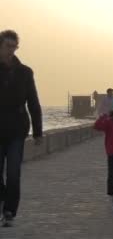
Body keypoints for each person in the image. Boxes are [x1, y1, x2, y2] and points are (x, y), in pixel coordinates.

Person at [0, 30, 43, 227]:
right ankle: (2, 199)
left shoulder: (25, 72)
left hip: (17, 128)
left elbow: (33, 102)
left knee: (14, 172)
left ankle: (9, 211)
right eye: (7, 46)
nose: (11, 50)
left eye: (13, 46)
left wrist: (38, 132)